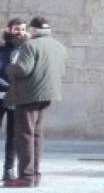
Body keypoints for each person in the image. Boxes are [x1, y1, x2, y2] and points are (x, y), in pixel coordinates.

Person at [4, 16, 67, 189]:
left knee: (25, 136)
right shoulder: (58, 46)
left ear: (33, 29)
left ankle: (26, 176)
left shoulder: (30, 45)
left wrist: (10, 67)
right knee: (37, 136)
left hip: (28, 95)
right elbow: (61, 70)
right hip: (47, 95)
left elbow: (23, 69)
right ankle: (35, 175)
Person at [0, 19, 27, 181]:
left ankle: (8, 170)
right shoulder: (1, 49)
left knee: (13, 136)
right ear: (9, 30)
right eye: (17, 29)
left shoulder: (27, 49)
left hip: (17, 98)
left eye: (23, 29)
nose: (20, 32)